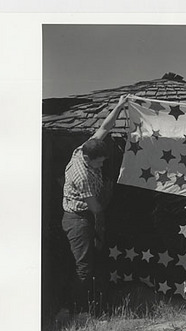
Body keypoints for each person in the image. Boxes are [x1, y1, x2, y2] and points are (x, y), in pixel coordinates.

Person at [61, 94, 129, 313]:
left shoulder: (86, 149)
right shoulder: (83, 176)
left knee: (92, 263)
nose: (101, 166)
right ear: (88, 160)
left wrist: (119, 106)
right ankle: (77, 310)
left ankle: (92, 301)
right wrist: (101, 232)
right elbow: (97, 209)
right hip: (79, 219)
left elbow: (105, 127)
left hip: (87, 214)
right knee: (84, 266)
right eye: (99, 163)